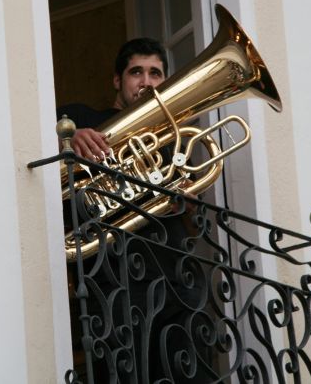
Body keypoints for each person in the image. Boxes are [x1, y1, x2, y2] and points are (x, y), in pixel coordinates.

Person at [58, 38, 210, 383]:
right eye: (136, 72)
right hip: (113, 277)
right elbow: (32, 142)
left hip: (174, 274)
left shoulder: (174, 139)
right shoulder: (86, 119)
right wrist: (69, 139)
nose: (146, 81)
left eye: (155, 73)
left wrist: (186, 198)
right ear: (117, 81)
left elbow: (188, 213)